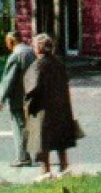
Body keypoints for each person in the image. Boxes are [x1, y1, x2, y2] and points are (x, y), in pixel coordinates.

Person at [23, 33, 79, 181]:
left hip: (42, 107)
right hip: (60, 105)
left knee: (42, 139)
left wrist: (27, 104)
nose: (33, 49)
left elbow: (31, 88)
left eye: (34, 46)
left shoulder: (38, 65)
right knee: (60, 137)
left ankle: (45, 171)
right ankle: (64, 166)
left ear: (39, 48)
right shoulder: (58, 63)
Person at [0, 31, 36, 167]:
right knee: (30, 126)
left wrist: (1, 99)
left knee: (19, 126)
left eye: (7, 42)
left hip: (19, 97)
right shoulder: (31, 51)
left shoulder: (15, 56)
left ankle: (23, 157)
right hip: (33, 95)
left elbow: (9, 80)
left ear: (11, 41)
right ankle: (37, 154)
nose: (6, 45)